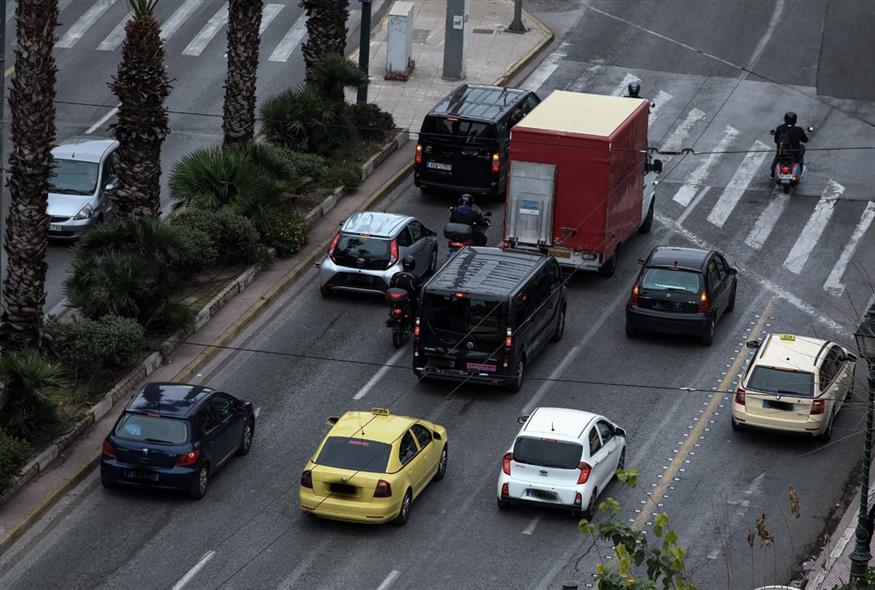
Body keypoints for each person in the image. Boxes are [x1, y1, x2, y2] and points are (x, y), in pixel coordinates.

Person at [771, 111, 809, 177]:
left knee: (778, 155)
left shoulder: (780, 128)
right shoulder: (799, 129)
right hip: (795, 153)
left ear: (785, 119)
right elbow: (805, 140)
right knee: (802, 148)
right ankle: (799, 167)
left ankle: (772, 172)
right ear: (795, 120)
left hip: (782, 152)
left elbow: (776, 140)